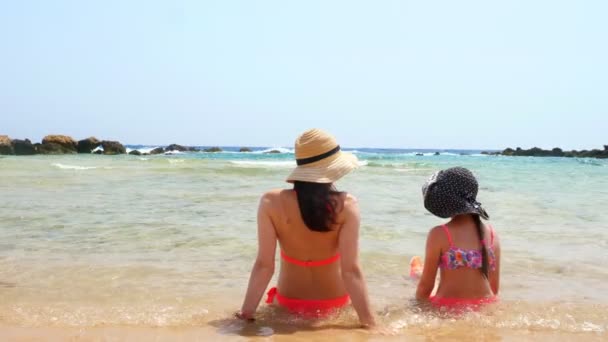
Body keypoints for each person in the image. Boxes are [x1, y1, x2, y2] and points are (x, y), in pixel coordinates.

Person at [237, 128, 375, 327]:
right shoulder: (346, 205)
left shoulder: (270, 202)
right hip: (335, 307)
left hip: (287, 305)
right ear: (333, 167)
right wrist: (370, 323)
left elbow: (264, 266)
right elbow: (350, 271)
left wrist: (246, 313)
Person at [415, 167, 501, 312]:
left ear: (443, 201)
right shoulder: (493, 235)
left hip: (447, 308)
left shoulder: (440, 234)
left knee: (423, 285)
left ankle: (418, 272)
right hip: (484, 306)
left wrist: (416, 307)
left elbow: (425, 287)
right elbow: (494, 288)